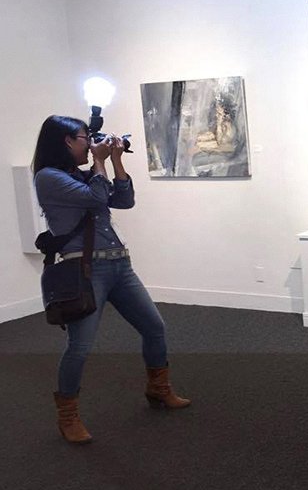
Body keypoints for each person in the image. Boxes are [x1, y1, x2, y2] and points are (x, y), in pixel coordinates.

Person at [32, 115, 190, 444]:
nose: (89, 144)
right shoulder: (49, 178)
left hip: (120, 266)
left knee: (154, 327)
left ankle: (159, 388)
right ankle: (68, 415)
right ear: (66, 142)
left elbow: (124, 200)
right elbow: (94, 198)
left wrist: (116, 160)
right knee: (80, 347)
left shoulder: (84, 174)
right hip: (86, 271)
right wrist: (101, 162)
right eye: (83, 138)